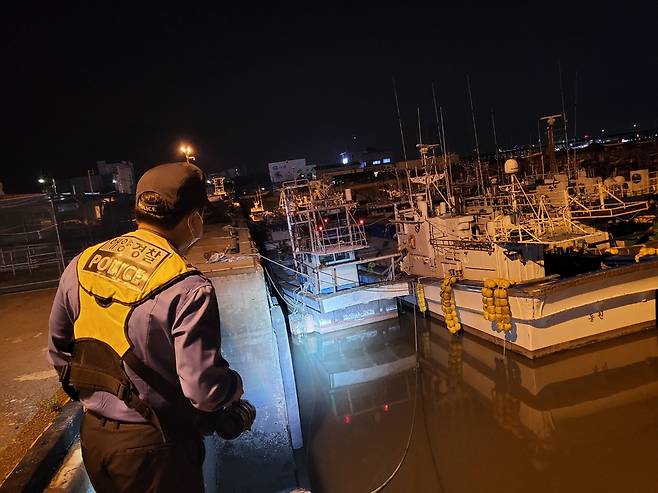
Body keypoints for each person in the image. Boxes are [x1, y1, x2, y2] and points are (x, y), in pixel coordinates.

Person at [48, 162, 243, 493]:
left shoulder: (83, 263)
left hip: (95, 439)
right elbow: (204, 391)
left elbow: (58, 351)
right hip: (155, 449)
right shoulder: (187, 287)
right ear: (194, 219)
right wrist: (234, 387)